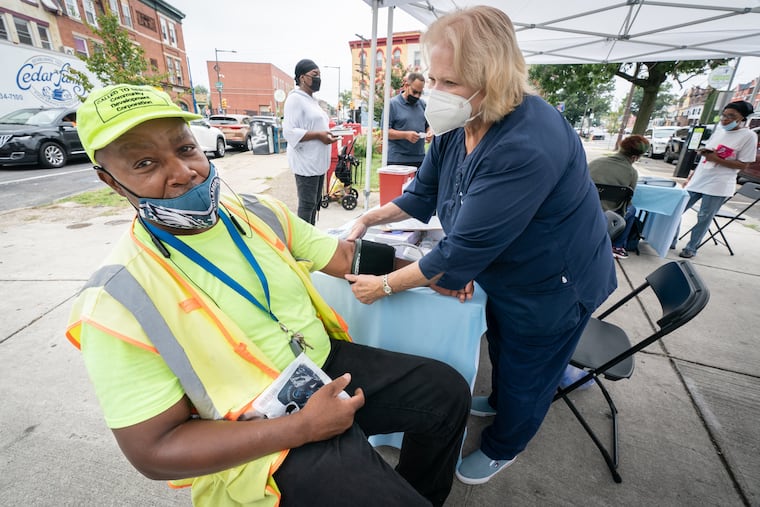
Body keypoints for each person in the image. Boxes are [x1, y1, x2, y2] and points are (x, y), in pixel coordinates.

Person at [66, 83, 471, 507]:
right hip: (258, 430)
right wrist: (302, 429)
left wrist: (425, 273)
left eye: (185, 149)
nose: (184, 173)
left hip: (320, 364)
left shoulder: (255, 211)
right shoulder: (117, 298)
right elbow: (153, 451)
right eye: (145, 163)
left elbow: (344, 255)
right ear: (110, 181)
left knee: (446, 392)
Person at [345, 6, 616, 485]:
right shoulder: (459, 124)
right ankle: (498, 400)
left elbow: (456, 254)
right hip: (506, 273)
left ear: (491, 80)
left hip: (554, 282)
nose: (433, 92)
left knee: (530, 367)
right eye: (431, 78)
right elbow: (422, 195)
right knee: (504, 344)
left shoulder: (527, 142)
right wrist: (369, 216)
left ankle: (505, 443)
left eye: (448, 82)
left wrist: (383, 285)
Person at [674, 100, 757, 258]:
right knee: (677, 209)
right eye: (724, 115)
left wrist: (716, 159)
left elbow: (743, 165)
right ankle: (670, 239)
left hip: (719, 183)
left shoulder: (748, 136)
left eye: (731, 116)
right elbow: (707, 156)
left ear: (743, 118)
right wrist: (691, 177)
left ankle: (691, 248)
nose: (725, 119)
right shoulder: (719, 130)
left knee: (704, 217)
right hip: (700, 178)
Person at [282, 59, 338, 224]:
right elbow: (290, 132)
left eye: (320, 75)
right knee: (307, 205)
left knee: (315, 204)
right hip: (306, 162)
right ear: (302, 77)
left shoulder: (311, 100)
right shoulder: (295, 99)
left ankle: (312, 237)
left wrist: (327, 135)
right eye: (314, 75)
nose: (318, 78)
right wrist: (319, 135)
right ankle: (304, 243)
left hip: (317, 161)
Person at [588, 135, 650, 259]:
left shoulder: (595, 163)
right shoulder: (631, 173)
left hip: (586, 207)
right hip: (610, 213)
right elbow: (628, 200)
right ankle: (617, 246)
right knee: (632, 210)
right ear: (634, 157)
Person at [385, 71, 431, 169]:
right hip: (397, 160)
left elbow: (428, 126)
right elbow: (385, 132)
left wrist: (429, 132)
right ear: (406, 86)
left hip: (419, 159)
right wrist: (406, 135)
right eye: (414, 92)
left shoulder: (423, 104)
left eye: (420, 93)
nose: (417, 96)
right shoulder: (392, 104)